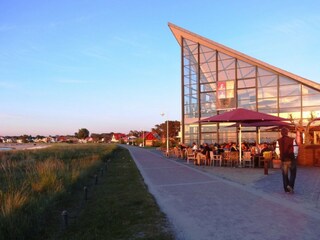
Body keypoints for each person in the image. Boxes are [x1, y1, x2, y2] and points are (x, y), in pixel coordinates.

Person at [277, 127, 297, 194]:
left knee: (284, 175)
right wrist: (295, 157)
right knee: (293, 174)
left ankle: (286, 189)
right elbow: (296, 149)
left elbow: (277, 151)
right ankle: (290, 186)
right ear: (287, 132)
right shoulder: (292, 140)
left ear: (281, 133)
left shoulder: (278, 140)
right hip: (291, 159)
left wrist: (280, 156)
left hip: (283, 160)